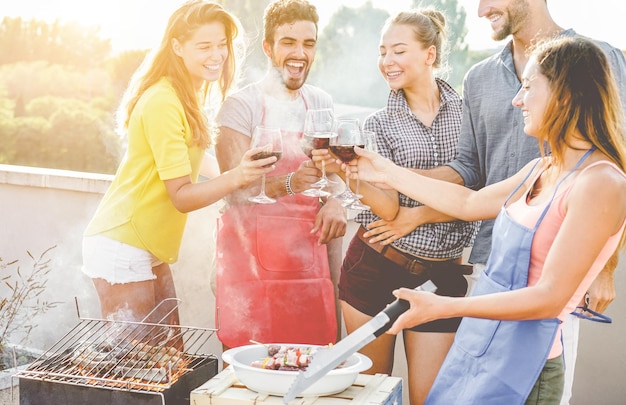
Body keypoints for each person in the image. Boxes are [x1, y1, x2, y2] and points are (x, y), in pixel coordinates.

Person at [360, 1, 626, 402]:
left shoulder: (600, 183)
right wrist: (383, 170)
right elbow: (469, 203)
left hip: (527, 365)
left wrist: (439, 308)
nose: (518, 100)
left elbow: (549, 298)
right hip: (485, 344)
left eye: (529, 88)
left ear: (564, 95)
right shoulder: (542, 167)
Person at [315, 9, 477, 404]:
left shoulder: (470, 114)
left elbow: (477, 188)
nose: (387, 61)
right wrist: (344, 172)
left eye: (399, 50)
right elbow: (387, 210)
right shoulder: (379, 124)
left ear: (429, 54)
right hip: (374, 268)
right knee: (371, 397)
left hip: (443, 277)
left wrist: (416, 212)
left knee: (433, 399)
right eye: (382, 51)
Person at [81, 1, 275, 328]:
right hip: (122, 244)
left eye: (221, 44)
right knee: (138, 368)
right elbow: (182, 196)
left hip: (147, 245)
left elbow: (194, 161)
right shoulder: (163, 101)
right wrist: (237, 177)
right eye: (204, 46)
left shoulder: (186, 96)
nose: (217, 55)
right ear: (177, 47)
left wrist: (240, 174)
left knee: (168, 359)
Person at [213, 0, 346, 350]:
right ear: (269, 48)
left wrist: (336, 202)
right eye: (288, 42)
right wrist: (290, 183)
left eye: (308, 43)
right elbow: (233, 189)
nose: (299, 53)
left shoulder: (320, 103)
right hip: (250, 269)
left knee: (312, 368)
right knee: (249, 372)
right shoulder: (240, 106)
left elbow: (333, 172)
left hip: (308, 262)